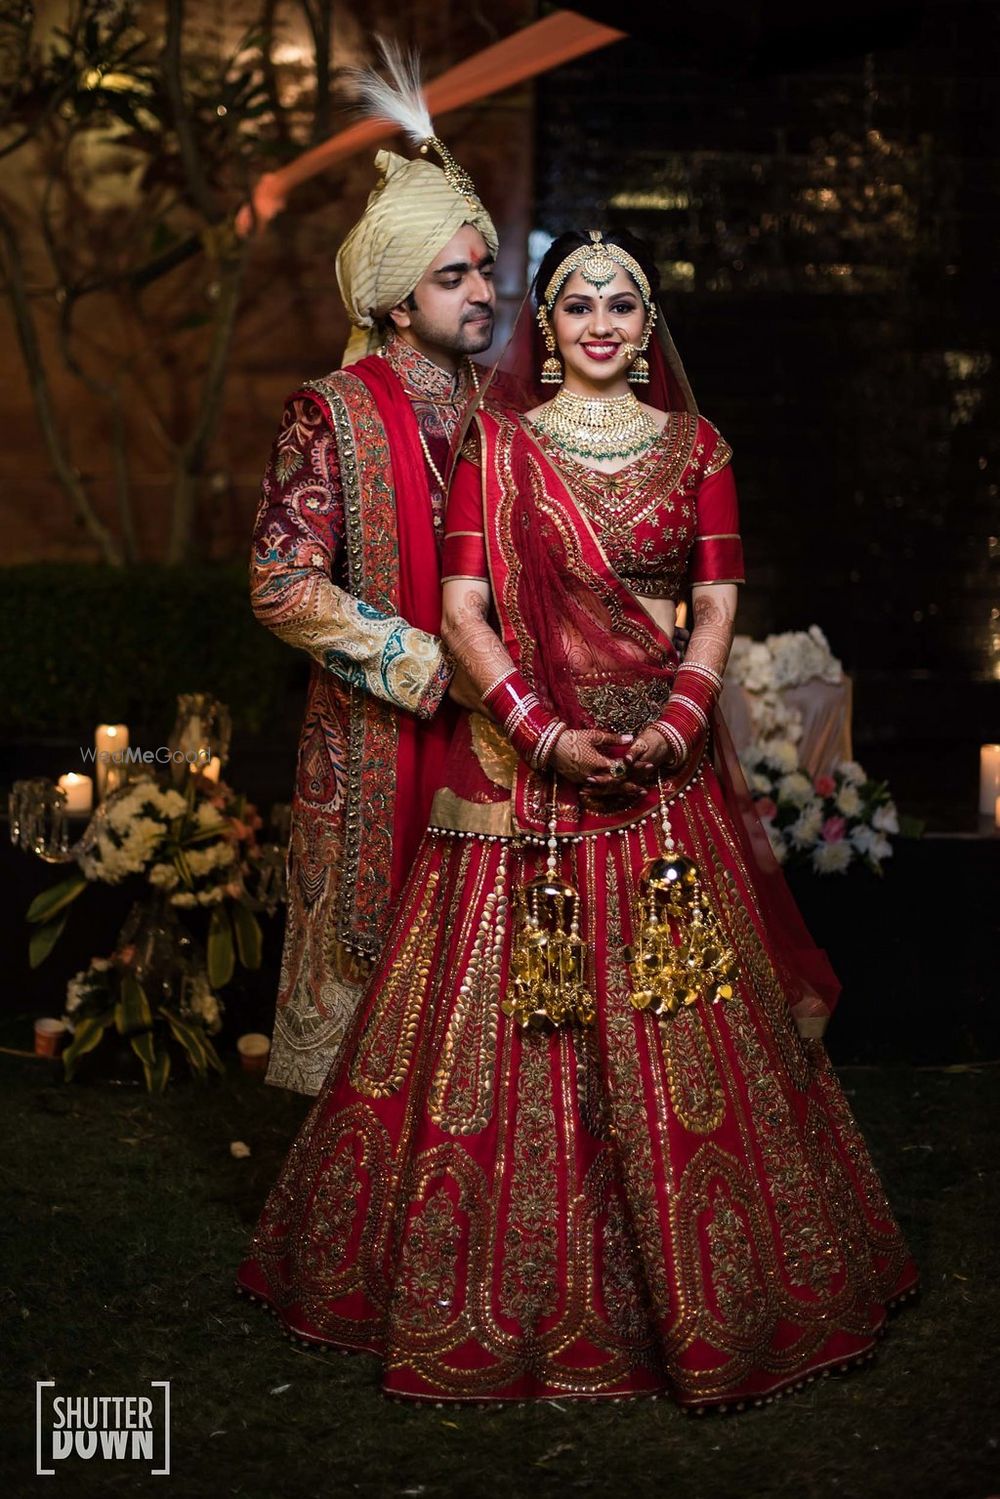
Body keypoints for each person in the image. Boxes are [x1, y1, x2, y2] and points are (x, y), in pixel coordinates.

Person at [237, 228, 918, 1409]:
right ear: (546, 336)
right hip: (525, 771)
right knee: (499, 1028)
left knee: (688, 1017)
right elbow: (460, 609)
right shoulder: (495, 450)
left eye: (620, 304)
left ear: (646, 327)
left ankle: (721, 1291)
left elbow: (713, 601)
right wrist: (541, 730)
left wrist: (677, 723)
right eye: (575, 305)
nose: (598, 320)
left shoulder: (697, 446)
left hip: (662, 774)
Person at [250, 46, 499, 1094]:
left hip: (494, 737)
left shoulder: (502, 415)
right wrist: (423, 662)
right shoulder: (333, 410)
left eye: (485, 267)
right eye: (455, 277)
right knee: (366, 996)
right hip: (371, 738)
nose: (483, 290)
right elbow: (279, 582)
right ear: (398, 302)